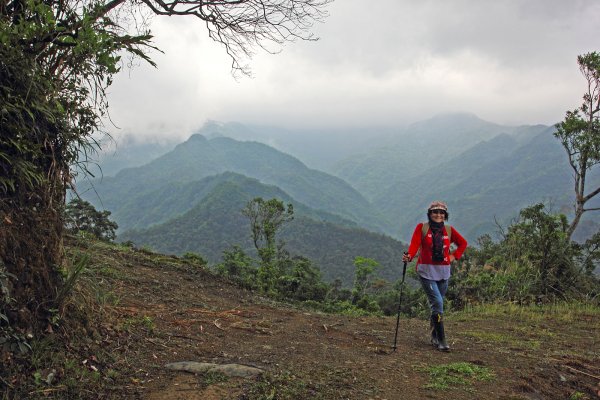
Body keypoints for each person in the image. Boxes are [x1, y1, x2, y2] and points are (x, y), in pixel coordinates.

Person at [402, 201, 467, 351]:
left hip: (444, 273)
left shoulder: (449, 230)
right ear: (430, 214)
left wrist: (453, 256)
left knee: (437, 306)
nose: (438, 215)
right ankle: (442, 340)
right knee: (438, 303)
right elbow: (414, 245)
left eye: (441, 213)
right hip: (426, 272)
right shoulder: (422, 228)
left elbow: (463, 243)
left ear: (445, 215)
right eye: (435, 212)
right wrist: (409, 256)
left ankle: (434, 336)